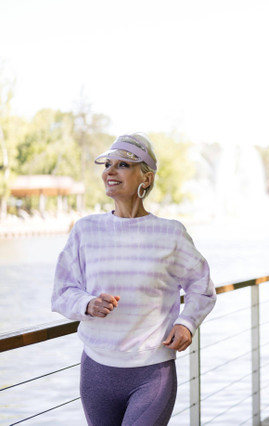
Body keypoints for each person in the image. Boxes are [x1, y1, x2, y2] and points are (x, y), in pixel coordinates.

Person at [51, 133, 216, 425]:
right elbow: (62, 291)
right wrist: (88, 304)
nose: (110, 172)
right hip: (97, 370)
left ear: (146, 178)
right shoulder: (86, 230)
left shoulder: (170, 233)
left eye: (123, 165)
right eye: (107, 164)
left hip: (152, 372)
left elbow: (201, 286)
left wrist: (186, 323)